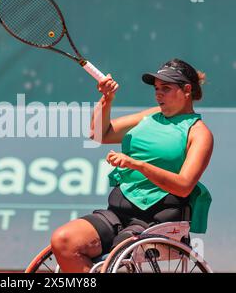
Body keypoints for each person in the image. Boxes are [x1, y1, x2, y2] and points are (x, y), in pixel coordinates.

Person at [50, 58, 214, 273]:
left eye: (166, 88)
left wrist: (137, 165)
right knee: (64, 241)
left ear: (187, 90)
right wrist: (106, 99)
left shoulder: (199, 133)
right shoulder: (149, 117)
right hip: (117, 213)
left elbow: (183, 186)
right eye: (156, 88)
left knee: (119, 253)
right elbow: (99, 133)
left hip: (155, 220)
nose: (158, 93)